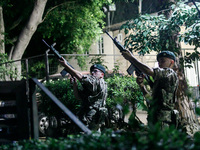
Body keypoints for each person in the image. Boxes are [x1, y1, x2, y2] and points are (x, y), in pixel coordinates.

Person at [121, 50, 179, 129]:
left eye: (163, 61)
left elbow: (149, 71)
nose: (160, 64)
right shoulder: (161, 80)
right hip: (155, 118)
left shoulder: (170, 73)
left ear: (171, 62)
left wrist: (131, 58)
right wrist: (141, 85)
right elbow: (150, 99)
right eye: (158, 62)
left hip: (163, 120)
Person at [59, 58, 108, 130]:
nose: (93, 73)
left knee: (91, 137)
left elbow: (81, 77)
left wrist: (66, 65)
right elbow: (78, 97)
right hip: (86, 117)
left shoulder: (99, 83)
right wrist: (75, 84)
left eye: (95, 71)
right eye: (92, 71)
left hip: (92, 118)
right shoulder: (92, 85)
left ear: (102, 74)